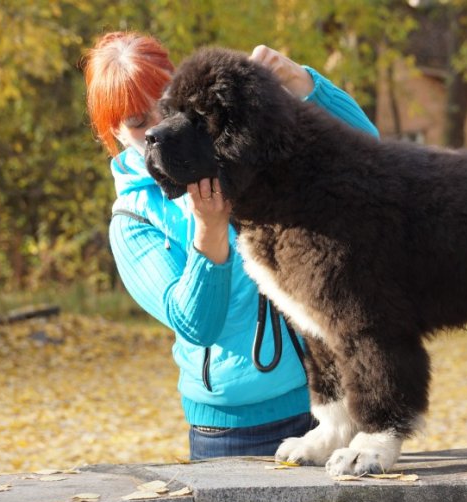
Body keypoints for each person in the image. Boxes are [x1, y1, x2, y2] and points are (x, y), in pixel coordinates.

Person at [83, 31, 379, 459]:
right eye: (137, 121)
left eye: (164, 104)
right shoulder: (133, 220)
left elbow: (370, 161)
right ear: (113, 131)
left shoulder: (239, 147)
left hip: (333, 403)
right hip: (232, 432)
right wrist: (209, 229)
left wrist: (303, 84)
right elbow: (196, 324)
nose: (158, 125)